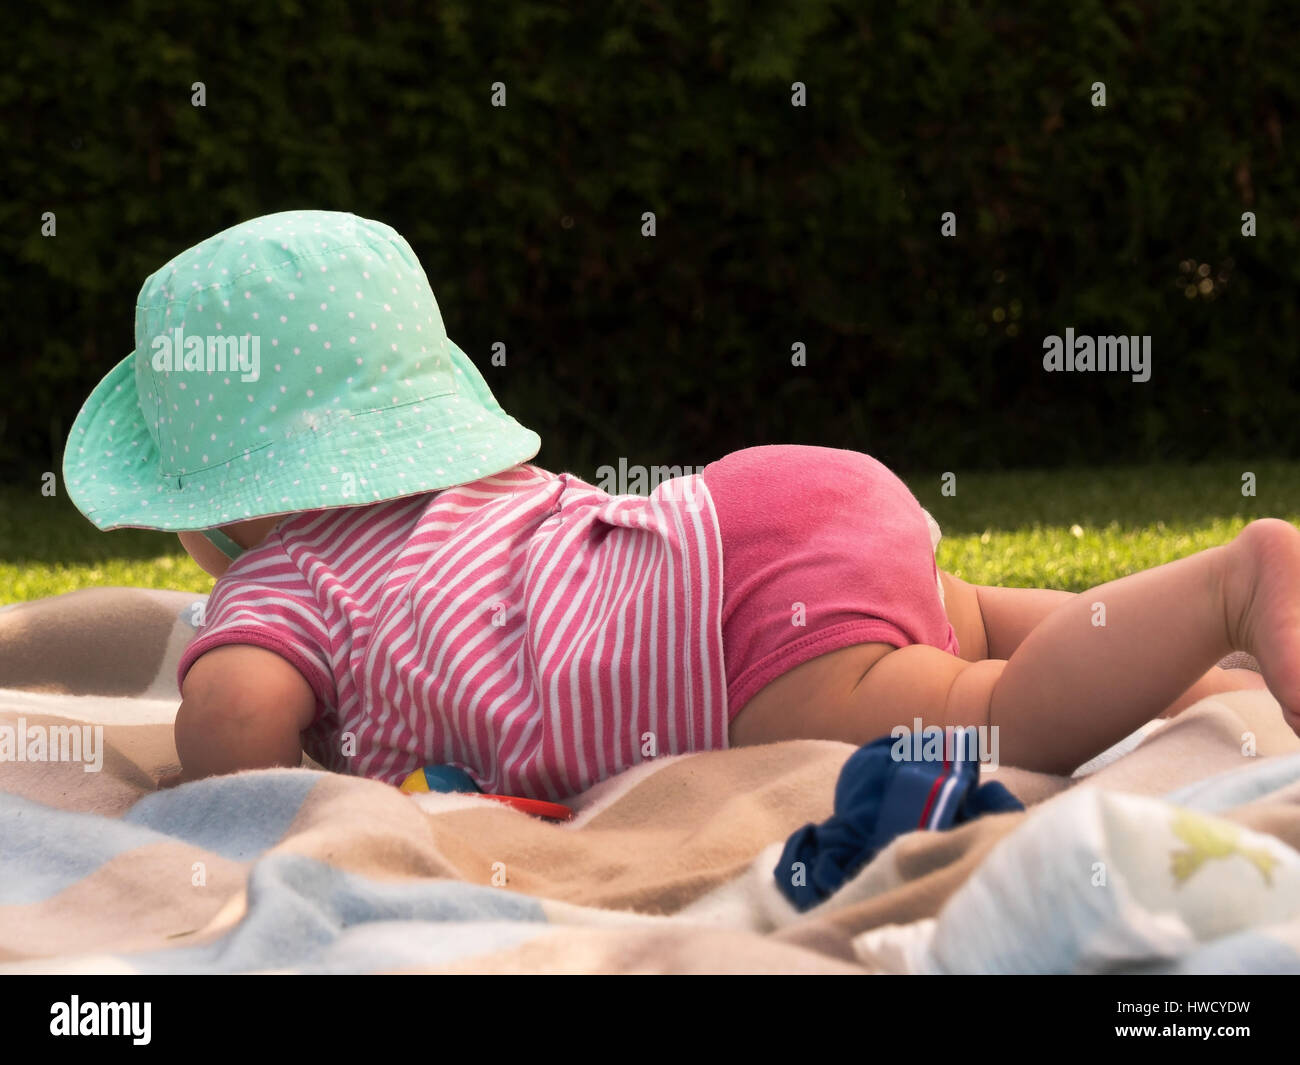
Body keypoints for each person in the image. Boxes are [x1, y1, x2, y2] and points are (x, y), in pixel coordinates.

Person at [63, 211, 1287, 801]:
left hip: (720, 635)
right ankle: (1191, 661)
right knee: (966, 621)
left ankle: (1236, 581)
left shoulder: (279, 579)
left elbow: (229, 720)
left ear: (223, 512)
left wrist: (221, 778)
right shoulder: (473, 496)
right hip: (750, 512)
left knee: (991, 719)